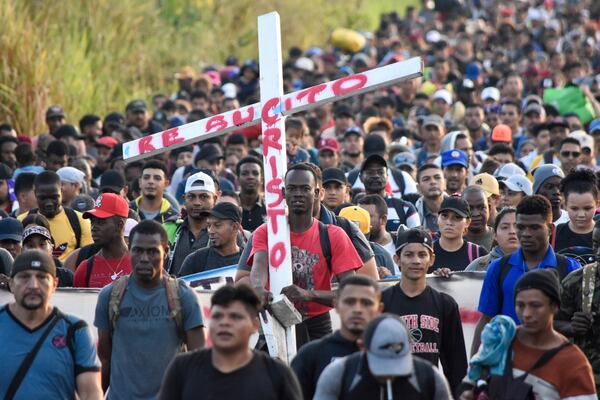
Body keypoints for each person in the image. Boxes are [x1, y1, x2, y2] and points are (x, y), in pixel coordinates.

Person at [249, 163, 363, 346]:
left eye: (305, 188)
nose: (298, 194)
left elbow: (351, 291)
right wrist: (258, 289)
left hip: (316, 325)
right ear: (284, 193)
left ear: (317, 193)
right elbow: (258, 267)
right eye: (292, 189)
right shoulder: (267, 232)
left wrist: (309, 295)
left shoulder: (333, 235)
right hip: (274, 321)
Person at [95, 220, 205, 399]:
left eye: (153, 251)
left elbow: (199, 363)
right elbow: (104, 360)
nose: (144, 258)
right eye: (138, 250)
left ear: (166, 252)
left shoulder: (183, 296)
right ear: (129, 250)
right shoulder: (109, 296)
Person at [460, 269, 596, 400]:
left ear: (554, 306)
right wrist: (467, 393)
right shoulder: (500, 342)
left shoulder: (573, 362)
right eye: (520, 305)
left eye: (535, 305)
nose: (527, 314)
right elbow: (469, 382)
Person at [471, 195, 580, 355]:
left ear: (550, 229)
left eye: (534, 227)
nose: (526, 233)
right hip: (507, 364)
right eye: (521, 227)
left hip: (553, 364)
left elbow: (577, 323)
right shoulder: (499, 268)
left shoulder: (570, 268)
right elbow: (486, 319)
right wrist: (474, 367)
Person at [159, 284, 302, 400]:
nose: (224, 323)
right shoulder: (182, 368)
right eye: (217, 316)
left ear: (254, 325)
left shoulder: (277, 375)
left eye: (235, 317)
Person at [0, 250, 102, 400]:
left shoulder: (75, 331)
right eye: (24, 277)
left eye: (42, 277)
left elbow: (91, 393)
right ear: (11, 284)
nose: (33, 285)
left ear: (54, 284)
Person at [383, 228, 467, 393]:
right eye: (409, 255)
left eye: (422, 255)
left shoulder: (445, 304)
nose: (416, 261)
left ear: (432, 259)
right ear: (397, 259)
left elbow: (455, 363)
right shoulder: (381, 302)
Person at [314, 313, 452, 400]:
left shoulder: (429, 377)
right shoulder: (339, 374)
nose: (389, 374)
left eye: (398, 364)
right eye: (381, 363)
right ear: (362, 347)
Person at [291, 275, 383, 400]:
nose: (357, 309)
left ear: (379, 309)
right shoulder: (310, 355)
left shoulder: (390, 354)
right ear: (336, 305)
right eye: (349, 302)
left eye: (366, 303)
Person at [557, 219, 600, 393]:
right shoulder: (577, 280)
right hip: (586, 382)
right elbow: (549, 323)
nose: (599, 252)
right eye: (596, 244)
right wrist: (571, 326)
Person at [18, 171, 93, 261]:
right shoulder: (21, 221)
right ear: (35, 194)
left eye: (54, 197)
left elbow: (87, 258)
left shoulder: (81, 220)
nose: (49, 203)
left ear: (61, 191)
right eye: (43, 198)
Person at [73, 193, 132, 288]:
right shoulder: (85, 269)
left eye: (101, 222)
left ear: (119, 225)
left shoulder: (140, 264)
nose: (93, 227)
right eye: (92, 222)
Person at [178, 202, 243, 276]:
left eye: (217, 225)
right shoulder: (195, 260)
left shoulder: (248, 260)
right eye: (209, 226)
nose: (210, 231)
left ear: (234, 227)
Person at [360, 153, 420, 231]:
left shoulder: (405, 208)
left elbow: (418, 239)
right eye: (370, 172)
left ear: (387, 176)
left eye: (380, 172)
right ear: (360, 177)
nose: (376, 176)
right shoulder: (355, 208)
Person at [429, 196, 488, 273]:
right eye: (444, 216)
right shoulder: (427, 252)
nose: (449, 222)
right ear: (438, 218)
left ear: (467, 222)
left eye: (457, 217)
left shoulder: (478, 253)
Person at [20, 219, 74, 287]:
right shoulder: (16, 277)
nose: (37, 249)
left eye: (42, 244)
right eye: (30, 245)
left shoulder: (66, 277)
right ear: (22, 251)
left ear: (51, 249)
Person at [553, 169, 597, 252]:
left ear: (597, 204)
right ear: (565, 204)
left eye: (587, 208)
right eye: (574, 208)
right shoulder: (555, 233)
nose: (581, 214)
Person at [466, 207, 519, 272]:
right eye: (505, 227)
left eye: (518, 227)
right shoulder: (478, 266)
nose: (512, 231)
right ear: (495, 235)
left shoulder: (534, 264)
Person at [357, 194, 396, 259]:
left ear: (383, 219)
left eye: (367, 216)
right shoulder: (352, 246)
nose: (361, 221)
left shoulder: (400, 245)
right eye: (359, 216)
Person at [415, 163, 447, 233]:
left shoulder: (460, 209)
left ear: (445, 183)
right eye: (426, 179)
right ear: (418, 188)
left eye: (437, 177)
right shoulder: (413, 213)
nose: (433, 182)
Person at [236, 156, 266, 232]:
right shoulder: (231, 206)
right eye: (245, 173)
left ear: (261, 179)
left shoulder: (270, 206)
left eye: (255, 173)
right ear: (237, 179)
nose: (250, 177)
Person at [462, 185, 495, 251]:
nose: (476, 214)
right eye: (469, 209)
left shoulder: (499, 238)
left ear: (489, 208)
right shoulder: (453, 240)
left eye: (481, 207)